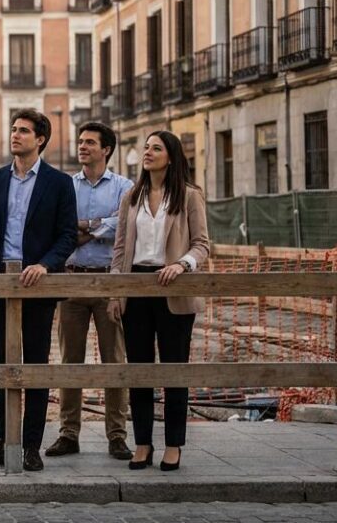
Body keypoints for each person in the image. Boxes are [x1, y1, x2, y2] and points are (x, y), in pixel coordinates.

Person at [0, 109, 78, 472]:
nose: (15, 135)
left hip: (37, 285)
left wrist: (45, 264)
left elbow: (67, 234)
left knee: (35, 366)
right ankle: (6, 442)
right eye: (13, 130)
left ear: (40, 139)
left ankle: (31, 446)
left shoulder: (59, 183)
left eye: (23, 131)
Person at [108, 131, 210, 472]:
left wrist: (182, 264)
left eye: (156, 148)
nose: (148, 153)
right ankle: (142, 443)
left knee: (173, 370)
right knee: (139, 370)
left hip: (174, 290)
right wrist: (116, 292)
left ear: (171, 156)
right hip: (136, 289)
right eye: (146, 148)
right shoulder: (131, 197)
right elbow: (120, 249)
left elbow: (202, 245)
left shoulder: (189, 196)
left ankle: (174, 444)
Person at [47, 122, 134, 461]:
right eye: (80, 142)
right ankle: (68, 433)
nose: (82, 147)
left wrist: (88, 226)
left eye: (90, 143)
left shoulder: (125, 187)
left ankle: (117, 435)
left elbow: (124, 225)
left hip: (110, 282)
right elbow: (63, 227)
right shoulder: (66, 187)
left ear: (106, 149)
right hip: (71, 282)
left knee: (115, 361)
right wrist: (99, 225)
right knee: (70, 361)